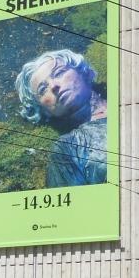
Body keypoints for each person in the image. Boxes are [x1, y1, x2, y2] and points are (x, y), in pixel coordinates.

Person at [14, 48, 109, 189]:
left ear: (84, 73)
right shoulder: (67, 151)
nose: (53, 86)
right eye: (42, 89)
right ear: (43, 111)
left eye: (59, 73)